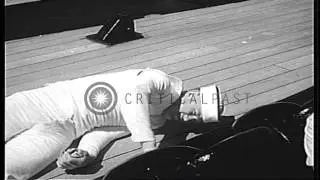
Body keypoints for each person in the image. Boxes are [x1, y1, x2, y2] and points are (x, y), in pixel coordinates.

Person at [5, 68, 224, 180]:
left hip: (66, 129)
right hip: (42, 102)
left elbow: (107, 131)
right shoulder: (160, 81)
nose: (186, 120)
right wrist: (148, 146)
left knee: (13, 170)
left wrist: (86, 153)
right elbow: (133, 96)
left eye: (195, 121)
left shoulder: (157, 121)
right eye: (193, 113)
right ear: (192, 96)